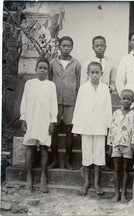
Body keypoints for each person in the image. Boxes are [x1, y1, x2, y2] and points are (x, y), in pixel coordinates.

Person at [72, 62, 112, 196]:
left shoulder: (105, 88)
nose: (95, 75)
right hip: (86, 125)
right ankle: (86, 182)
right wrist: (77, 127)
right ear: (88, 73)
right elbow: (78, 108)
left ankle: (96, 183)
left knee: (99, 155)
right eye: (92, 72)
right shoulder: (83, 88)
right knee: (87, 154)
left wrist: (109, 126)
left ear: (102, 73)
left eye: (97, 72)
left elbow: (108, 108)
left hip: (100, 126)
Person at [20, 59, 58, 193]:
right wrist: (23, 119)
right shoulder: (29, 84)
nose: (42, 70)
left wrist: (53, 121)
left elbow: (54, 104)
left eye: (45, 68)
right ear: (35, 69)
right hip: (31, 118)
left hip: (45, 120)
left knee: (43, 149)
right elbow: (24, 102)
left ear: (48, 71)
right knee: (30, 148)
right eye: (40, 68)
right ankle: (29, 177)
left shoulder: (51, 85)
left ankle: (43, 178)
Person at [48, 36, 81, 170]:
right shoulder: (52, 63)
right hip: (55, 102)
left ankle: (68, 160)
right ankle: (55, 160)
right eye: (63, 45)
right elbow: (49, 82)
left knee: (69, 130)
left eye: (68, 46)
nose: (66, 48)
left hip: (70, 102)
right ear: (59, 47)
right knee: (54, 130)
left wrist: (77, 101)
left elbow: (78, 84)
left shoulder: (76, 64)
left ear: (72, 47)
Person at [107, 89, 134, 203]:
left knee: (126, 169)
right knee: (116, 169)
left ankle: (124, 193)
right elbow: (111, 129)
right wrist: (110, 145)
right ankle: (116, 193)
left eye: (128, 99)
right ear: (120, 99)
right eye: (123, 98)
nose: (126, 101)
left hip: (128, 146)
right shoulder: (116, 113)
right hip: (116, 145)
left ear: (133, 101)